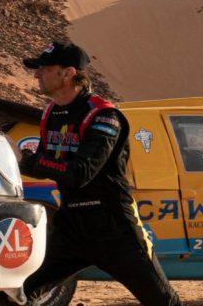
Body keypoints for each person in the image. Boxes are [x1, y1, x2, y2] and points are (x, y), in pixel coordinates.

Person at [18, 40, 183, 306]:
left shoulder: (104, 115)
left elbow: (80, 173)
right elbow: (46, 163)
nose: (37, 75)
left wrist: (34, 163)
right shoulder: (51, 113)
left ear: (69, 73)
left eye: (45, 69)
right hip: (72, 226)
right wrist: (22, 162)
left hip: (114, 227)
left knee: (163, 301)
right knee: (19, 294)